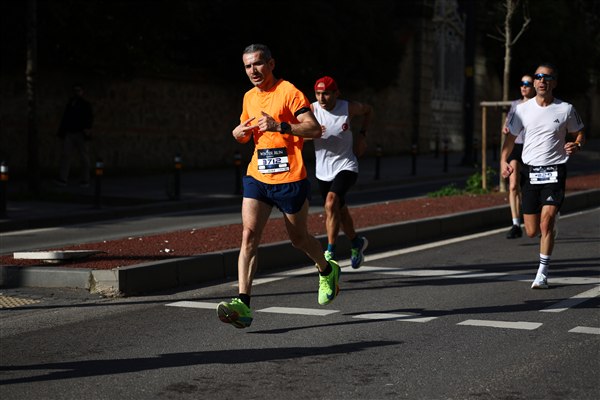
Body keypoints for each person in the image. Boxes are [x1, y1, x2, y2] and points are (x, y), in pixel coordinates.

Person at [216, 44, 340, 329]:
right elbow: (248, 133)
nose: (253, 71)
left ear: (271, 64)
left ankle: (326, 270)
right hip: (258, 176)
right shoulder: (249, 97)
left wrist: (281, 126)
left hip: (290, 179)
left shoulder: (289, 92)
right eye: (248, 66)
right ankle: (243, 304)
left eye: (258, 64)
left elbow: (314, 129)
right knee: (249, 235)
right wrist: (238, 134)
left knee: (299, 239)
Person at [501, 63, 585, 289]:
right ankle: (549, 225)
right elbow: (510, 139)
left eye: (547, 77)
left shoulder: (565, 109)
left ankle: (542, 273)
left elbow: (579, 133)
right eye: (538, 77)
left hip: (555, 171)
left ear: (554, 83)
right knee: (531, 231)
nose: (541, 81)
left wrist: (576, 145)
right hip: (531, 172)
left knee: (546, 222)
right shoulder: (522, 110)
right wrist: (504, 161)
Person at [310, 76, 372, 268]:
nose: (322, 98)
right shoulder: (311, 110)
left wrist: (362, 135)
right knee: (339, 209)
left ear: (337, 93)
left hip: (346, 165)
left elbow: (368, 110)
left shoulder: (348, 107)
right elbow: (296, 133)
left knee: (331, 203)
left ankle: (330, 251)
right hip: (323, 171)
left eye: (326, 94)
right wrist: (310, 133)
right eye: (318, 94)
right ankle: (356, 242)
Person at [502, 74, 536, 239]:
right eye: (522, 83)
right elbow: (507, 123)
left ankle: (538, 219)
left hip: (532, 148)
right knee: (513, 185)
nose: (524, 87)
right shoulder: (515, 105)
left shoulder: (537, 104)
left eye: (527, 84)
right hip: (516, 147)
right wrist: (506, 128)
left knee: (532, 186)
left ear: (533, 87)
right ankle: (516, 224)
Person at [55, 83, 94, 187]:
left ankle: (85, 179)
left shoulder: (85, 104)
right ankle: (63, 178)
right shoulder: (71, 103)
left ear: (82, 92)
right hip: (71, 132)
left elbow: (89, 118)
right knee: (66, 155)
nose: (77, 93)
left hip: (80, 133)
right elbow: (66, 118)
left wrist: (87, 129)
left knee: (83, 157)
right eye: (75, 91)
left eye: (78, 90)